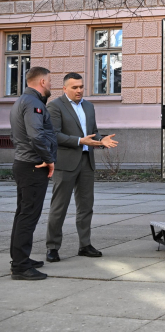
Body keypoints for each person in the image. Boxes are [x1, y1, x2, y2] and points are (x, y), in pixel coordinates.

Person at [45, 72, 118, 263]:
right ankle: (52, 247)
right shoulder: (55, 106)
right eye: (74, 87)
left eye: (81, 87)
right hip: (65, 163)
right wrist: (79, 141)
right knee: (59, 207)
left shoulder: (89, 106)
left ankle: (85, 245)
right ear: (64, 88)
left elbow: (92, 133)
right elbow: (54, 135)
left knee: (86, 206)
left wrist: (102, 140)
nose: (79, 90)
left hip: (87, 162)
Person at [9, 66, 57, 280]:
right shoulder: (34, 103)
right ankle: (20, 267)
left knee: (23, 213)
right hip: (33, 166)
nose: (51, 85)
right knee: (28, 215)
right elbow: (36, 135)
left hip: (24, 163)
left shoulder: (21, 101)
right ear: (42, 82)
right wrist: (49, 159)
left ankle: (20, 259)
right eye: (50, 81)